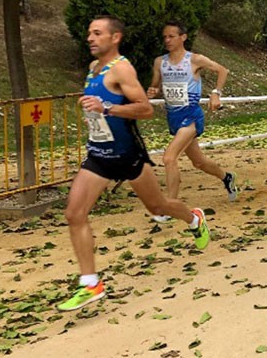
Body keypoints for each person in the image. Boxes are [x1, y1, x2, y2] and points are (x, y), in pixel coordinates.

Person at [59, 16, 210, 312]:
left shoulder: (122, 69)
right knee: (74, 213)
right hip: (99, 155)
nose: (90, 37)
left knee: (158, 207)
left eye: (97, 33)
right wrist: (90, 105)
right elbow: (99, 104)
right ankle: (90, 284)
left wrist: (107, 107)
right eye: (89, 32)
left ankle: (194, 218)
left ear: (115, 38)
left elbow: (144, 109)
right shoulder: (93, 69)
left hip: (127, 156)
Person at [146, 21, 239, 222]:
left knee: (169, 158)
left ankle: (169, 207)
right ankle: (227, 177)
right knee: (199, 162)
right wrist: (153, 90)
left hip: (191, 115)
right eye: (165, 37)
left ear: (183, 37)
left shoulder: (195, 60)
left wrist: (216, 93)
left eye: (171, 36)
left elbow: (222, 70)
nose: (167, 40)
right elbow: (156, 86)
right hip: (173, 116)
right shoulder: (159, 62)